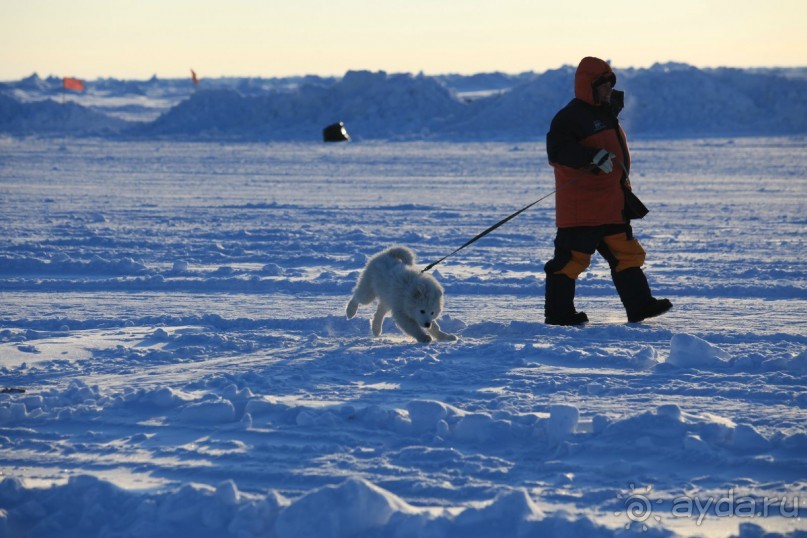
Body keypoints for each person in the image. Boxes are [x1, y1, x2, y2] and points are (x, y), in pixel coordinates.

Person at [543, 56, 672, 325]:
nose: (609, 90)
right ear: (588, 85)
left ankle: (640, 306)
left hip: (612, 203)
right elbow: (557, 151)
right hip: (583, 209)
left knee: (628, 256)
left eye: (611, 84)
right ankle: (559, 315)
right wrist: (590, 156)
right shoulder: (570, 117)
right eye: (603, 85)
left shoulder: (605, 112)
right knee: (570, 262)